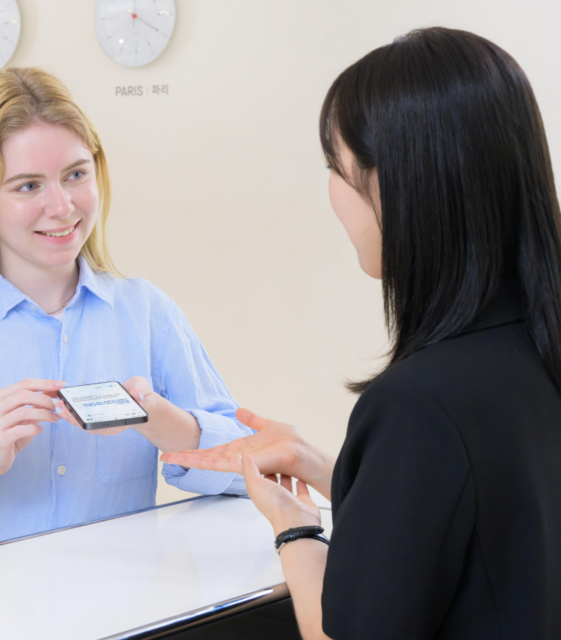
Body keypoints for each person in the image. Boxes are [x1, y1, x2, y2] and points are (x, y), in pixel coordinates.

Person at [163, 28, 561, 640]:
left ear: (403, 188)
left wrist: (292, 527)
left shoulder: (420, 405)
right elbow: (471, 515)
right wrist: (323, 465)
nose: (332, 193)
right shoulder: (531, 352)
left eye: (337, 167)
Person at [0, 67, 250, 561]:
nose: (62, 206)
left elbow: (250, 465)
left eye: (75, 175)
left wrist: (158, 420)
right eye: (27, 186)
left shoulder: (148, 314)